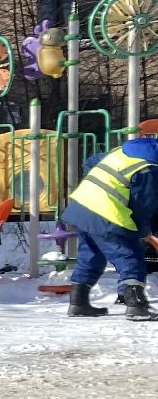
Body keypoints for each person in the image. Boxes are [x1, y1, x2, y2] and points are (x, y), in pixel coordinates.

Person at [65, 132, 158, 321]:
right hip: (107, 213)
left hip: (82, 205)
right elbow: (144, 206)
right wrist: (144, 231)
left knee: (90, 257)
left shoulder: (123, 151)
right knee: (129, 256)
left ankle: (78, 302)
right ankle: (136, 306)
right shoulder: (150, 170)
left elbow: (90, 162)